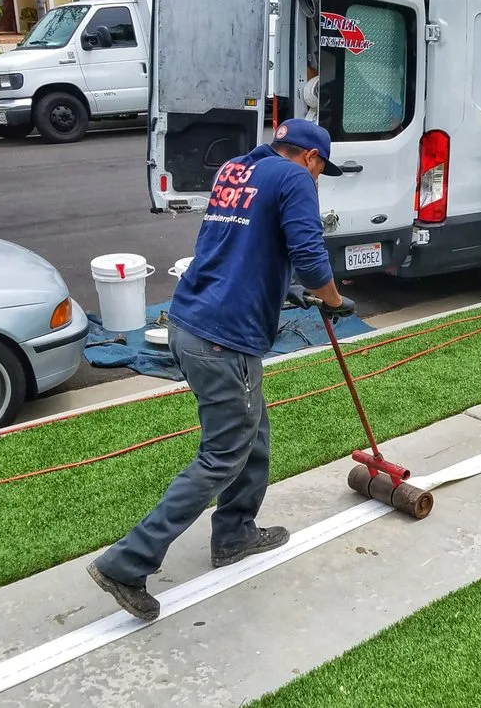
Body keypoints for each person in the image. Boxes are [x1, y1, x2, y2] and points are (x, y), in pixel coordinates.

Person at [88, 119, 355, 621]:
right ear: (311, 159)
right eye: (321, 171)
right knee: (222, 454)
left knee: (250, 431)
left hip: (192, 323)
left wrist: (286, 291)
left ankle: (234, 534)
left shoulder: (238, 169)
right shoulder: (295, 179)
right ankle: (128, 562)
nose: (318, 180)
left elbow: (240, 248)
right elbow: (310, 255)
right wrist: (332, 299)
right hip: (223, 339)